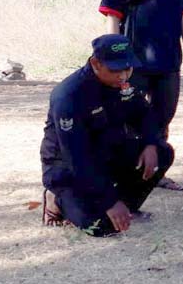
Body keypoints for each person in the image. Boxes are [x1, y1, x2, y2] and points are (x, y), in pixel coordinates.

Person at [40, 35, 175, 237]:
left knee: (162, 152)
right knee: (101, 227)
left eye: (127, 68)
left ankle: (126, 207)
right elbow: (77, 158)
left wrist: (150, 143)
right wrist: (109, 201)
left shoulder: (124, 83)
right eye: (115, 70)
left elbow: (144, 114)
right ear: (95, 63)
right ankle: (56, 199)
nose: (123, 76)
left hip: (107, 153)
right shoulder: (69, 96)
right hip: (68, 167)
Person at [99, 0, 183, 191]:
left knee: (163, 115)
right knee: (128, 116)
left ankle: (156, 171)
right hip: (133, 63)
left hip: (168, 61)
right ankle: (128, 169)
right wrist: (116, 59)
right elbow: (113, 17)